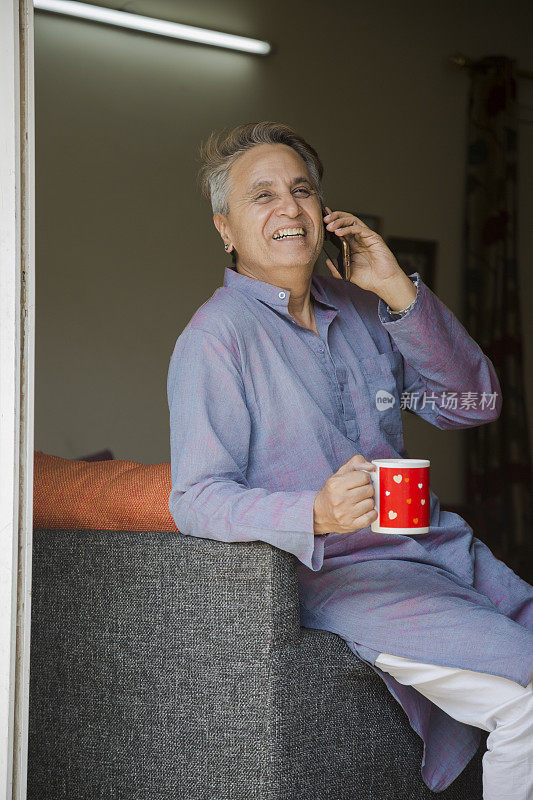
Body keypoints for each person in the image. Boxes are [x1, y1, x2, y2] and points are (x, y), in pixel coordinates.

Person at [167, 121, 533, 799]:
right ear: (225, 227)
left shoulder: (365, 309)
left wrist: (397, 288)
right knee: (525, 695)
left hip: (441, 553)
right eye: (262, 195)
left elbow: (474, 403)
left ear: (322, 210)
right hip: (347, 578)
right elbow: (193, 498)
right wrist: (312, 509)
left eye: (301, 190)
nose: (288, 208)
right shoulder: (214, 340)